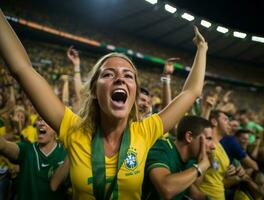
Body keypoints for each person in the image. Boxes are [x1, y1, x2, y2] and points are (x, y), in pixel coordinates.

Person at [0, 9, 208, 199]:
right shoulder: (73, 130)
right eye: (109, 74)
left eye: (128, 76)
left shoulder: (146, 131)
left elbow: (191, 92)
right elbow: (22, 69)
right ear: (93, 91)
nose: (120, 78)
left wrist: (202, 48)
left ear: (134, 93)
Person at [142, 116, 215, 200]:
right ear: (189, 137)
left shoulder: (191, 160)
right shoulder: (161, 148)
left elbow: (194, 193)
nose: (213, 146)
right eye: (208, 139)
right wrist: (200, 167)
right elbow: (166, 188)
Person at [0, 118, 67, 200]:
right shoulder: (26, 149)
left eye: (47, 121)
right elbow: (3, 146)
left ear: (55, 128)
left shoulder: (65, 154)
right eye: (39, 120)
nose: (42, 123)